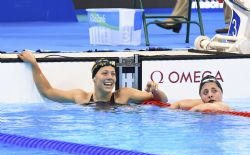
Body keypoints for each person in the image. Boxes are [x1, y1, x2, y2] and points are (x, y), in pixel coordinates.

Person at [18, 51, 168, 105]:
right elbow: (47, 91)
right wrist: (33, 64)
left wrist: (154, 90)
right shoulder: (80, 97)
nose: (110, 77)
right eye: (104, 73)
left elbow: (163, 100)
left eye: (113, 73)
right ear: (94, 78)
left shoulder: (123, 95)